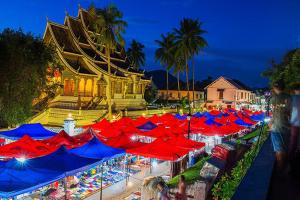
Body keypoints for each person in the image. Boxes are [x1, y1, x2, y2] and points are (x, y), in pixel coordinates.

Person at [269, 81, 291, 173]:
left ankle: (280, 170)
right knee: (285, 149)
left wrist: (270, 123)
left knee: (279, 150)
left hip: (276, 127)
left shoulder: (273, 99)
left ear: (274, 88)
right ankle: (285, 167)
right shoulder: (289, 98)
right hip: (287, 127)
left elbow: (274, 114)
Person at [289, 83, 300, 159]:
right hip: (295, 122)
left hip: (294, 123)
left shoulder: (292, 98)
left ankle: (291, 157)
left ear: (295, 90)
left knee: (293, 140)